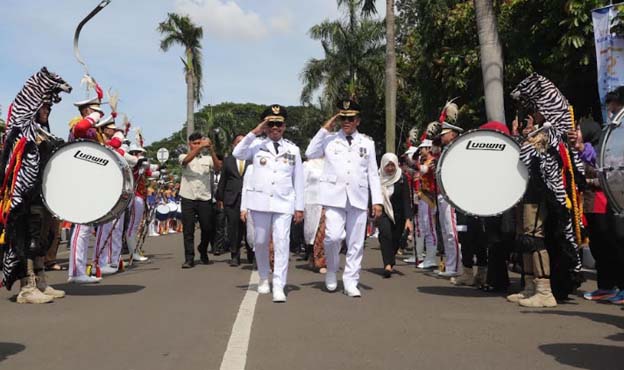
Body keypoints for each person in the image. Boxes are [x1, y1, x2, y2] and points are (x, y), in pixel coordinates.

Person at [0, 67, 70, 302]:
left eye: (49, 107)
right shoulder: (21, 131)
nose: (47, 110)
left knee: (41, 236)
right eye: (44, 106)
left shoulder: (42, 134)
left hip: (39, 195)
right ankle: (26, 288)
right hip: (22, 198)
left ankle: (40, 281)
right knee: (25, 237)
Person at [305, 99, 383, 297]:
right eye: (343, 118)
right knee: (333, 237)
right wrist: (327, 126)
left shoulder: (367, 143)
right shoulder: (330, 139)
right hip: (334, 197)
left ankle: (351, 280)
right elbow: (310, 152)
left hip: (358, 196)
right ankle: (332, 269)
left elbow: (373, 173)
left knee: (356, 242)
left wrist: (377, 201)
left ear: (358, 120)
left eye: (350, 118)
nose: (346, 121)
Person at [233, 105, 304, 303]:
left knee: (282, 242)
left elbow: (298, 179)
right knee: (261, 241)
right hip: (260, 202)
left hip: (283, 202)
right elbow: (237, 153)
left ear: (284, 126)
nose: (275, 127)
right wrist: (255, 131)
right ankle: (264, 277)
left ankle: (279, 284)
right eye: (271, 123)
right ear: (265, 125)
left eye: (278, 124)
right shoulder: (255, 145)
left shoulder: (293, 149)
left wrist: (300, 206)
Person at [179, 132, 222, 268]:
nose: (198, 145)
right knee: (188, 230)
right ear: (189, 144)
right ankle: (189, 258)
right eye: (195, 143)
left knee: (208, 228)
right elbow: (185, 161)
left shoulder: (207, 158)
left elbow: (218, 167)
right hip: (188, 197)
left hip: (204, 197)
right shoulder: (183, 156)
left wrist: (211, 149)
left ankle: (203, 249)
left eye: (199, 143)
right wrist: (200, 147)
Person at [436, 105, 463, 278]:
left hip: (451, 195)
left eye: (444, 133)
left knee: (452, 231)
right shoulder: (446, 150)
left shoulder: (456, 150)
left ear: (453, 134)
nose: (442, 136)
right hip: (443, 193)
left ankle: (456, 266)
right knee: (446, 231)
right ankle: (451, 264)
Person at [377, 153, 413, 278]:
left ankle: (390, 260)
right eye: (388, 166)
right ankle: (387, 264)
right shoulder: (377, 177)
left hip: (399, 214)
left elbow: (406, 199)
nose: (390, 168)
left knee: (395, 238)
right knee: (385, 234)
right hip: (383, 212)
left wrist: (408, 219)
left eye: (393, 165)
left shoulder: (402, 178)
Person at [217, 134, 251, 266]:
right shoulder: (228, 161)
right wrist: (220, 198)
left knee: (250, 228)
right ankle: (234, 254)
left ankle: (251, 253)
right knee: (233, 228)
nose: (240, 145)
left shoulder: (253, 159)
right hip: (232, 200)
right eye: (238, 142)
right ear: (233, 145)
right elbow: (223, 181)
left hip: (249, 200)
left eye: (243, 142)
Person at [415, 139, 439, 270]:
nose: (420, 152)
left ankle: (431, 258)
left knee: (430, 228)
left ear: (428, 148)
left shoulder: (432, 161)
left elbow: (424, 170)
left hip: (429, 198)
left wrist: (413, 163)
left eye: (422, 149)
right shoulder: (425, 161)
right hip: (423, 197)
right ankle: (428, 257)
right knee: (425, 227)